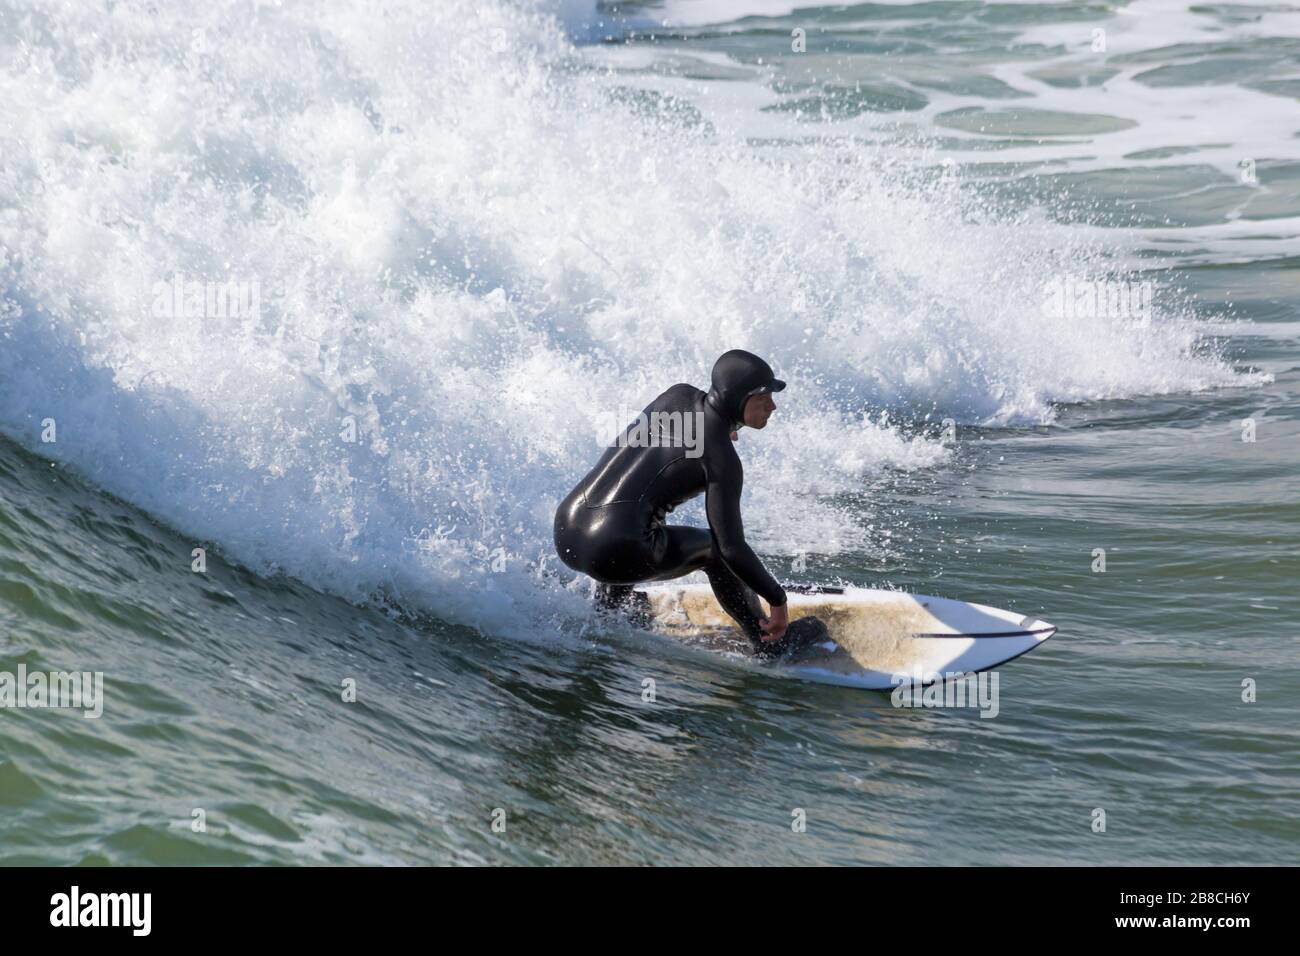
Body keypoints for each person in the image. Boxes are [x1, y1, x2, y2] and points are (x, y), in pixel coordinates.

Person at [554, 349, 819, 658]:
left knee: (634, 517)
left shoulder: (676, 396)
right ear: (740, 400)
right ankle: (768, 644)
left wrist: (723, 429)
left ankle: (611, 608)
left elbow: (675, 440)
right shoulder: (721, 459)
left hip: (569, 528)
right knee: (716, 552)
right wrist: (777, 600)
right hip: (614, 552)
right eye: (763, 398)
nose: (772, 406)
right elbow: (732, 547)